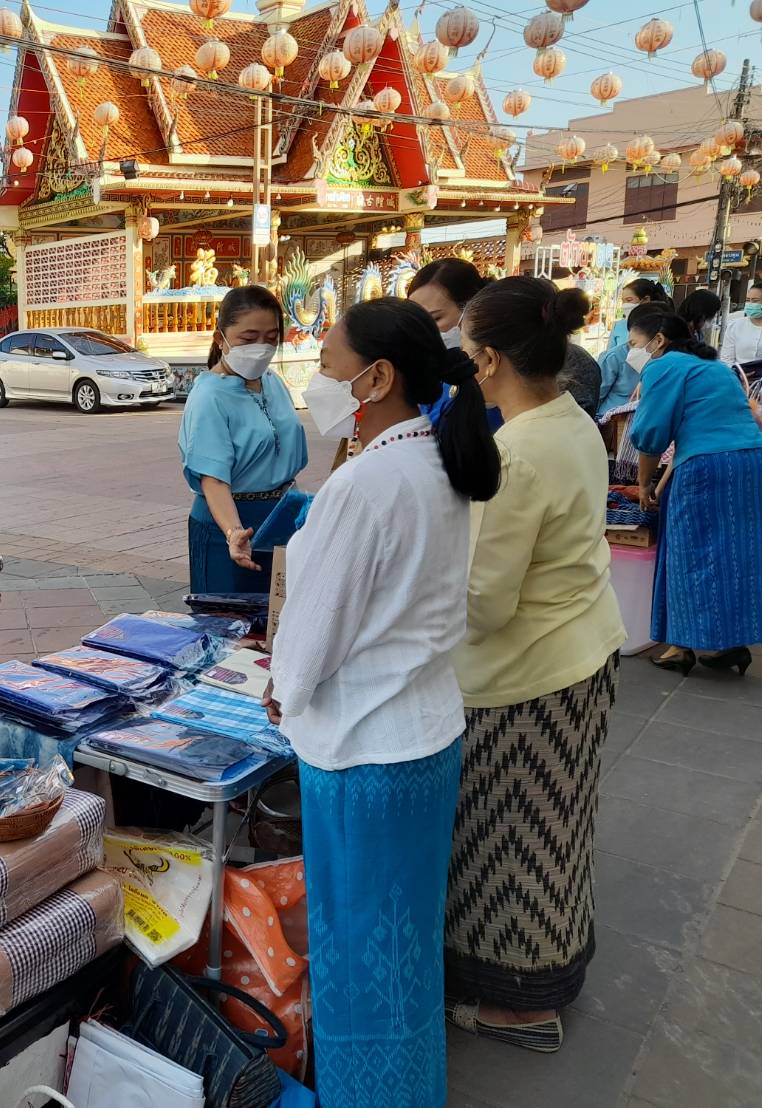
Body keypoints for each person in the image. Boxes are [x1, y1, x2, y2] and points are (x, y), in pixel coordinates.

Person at [262, 297, 500, 1108]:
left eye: (325, 363)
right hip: (422, 736)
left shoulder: (366, 483)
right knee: (402, 948)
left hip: (362, 751)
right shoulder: (438, 459)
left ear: (377, 377)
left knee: (358, 947)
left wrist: (281, 692)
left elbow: (314, 628)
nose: (318, 379)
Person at [446, 277, 626, 1053]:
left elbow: (483, 604)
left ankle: (519, 1006)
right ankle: (546, 977)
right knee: (556, 832)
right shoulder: (572, 420)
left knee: (508, 840)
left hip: (527, 678)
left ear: (487, 361)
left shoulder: (512, 454)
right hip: (581, 651)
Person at [628, 310, 762, 675]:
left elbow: (651, 434)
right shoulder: (713, 369)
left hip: (707, 465)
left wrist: (645, 484)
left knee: (688, 550)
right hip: (753, 460)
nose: (634, 350)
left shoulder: (663, 367)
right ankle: (732, 644)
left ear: (657, 340)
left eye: (634, 342)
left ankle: (680, 645)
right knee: (738, 550)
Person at [177, 285, 307, 593]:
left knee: (276, 623)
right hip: (231, 523)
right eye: (248, 339)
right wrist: (234, 532)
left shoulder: (273, 383)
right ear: (220, 338)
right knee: (230, 628)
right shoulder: (209, 395)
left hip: (281, 519)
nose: (261, 347)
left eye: (271, 338)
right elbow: (214, 479)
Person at [407, 258, 503, 432]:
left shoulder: (493, 379)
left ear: (471, 312)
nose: (423, 330)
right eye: (417, 321)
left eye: (435, 318)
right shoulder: (430, 376)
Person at [719, 279, 762, 366]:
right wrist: (739, 374)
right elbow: (726, 360)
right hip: (739, 376)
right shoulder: (735, 326)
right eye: (748, 300)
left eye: (755, 301)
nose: (750, 304)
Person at [610, 277, 670, 349]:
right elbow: (609, 355)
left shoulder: (662, 325)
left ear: (646, 300)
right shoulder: (618, 326)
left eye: (629, 300)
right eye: (623, 301)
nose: (624, 305)